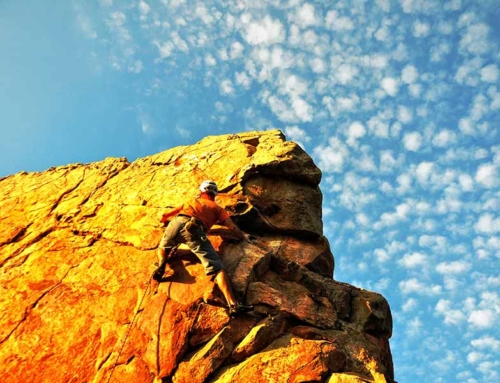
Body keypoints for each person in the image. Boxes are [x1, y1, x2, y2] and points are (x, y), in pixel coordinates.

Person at [154, 180, 254, 316]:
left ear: (201, 192)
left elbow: (165, 216)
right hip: (194, 230)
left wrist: (164, 221)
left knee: (163, 246)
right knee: (217, 268)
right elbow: (232, 226)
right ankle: (233, 304)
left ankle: (161, 263)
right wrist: (243, 237)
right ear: (215, 194)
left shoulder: (191, 201)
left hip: (177, 222)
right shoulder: (217, 209)